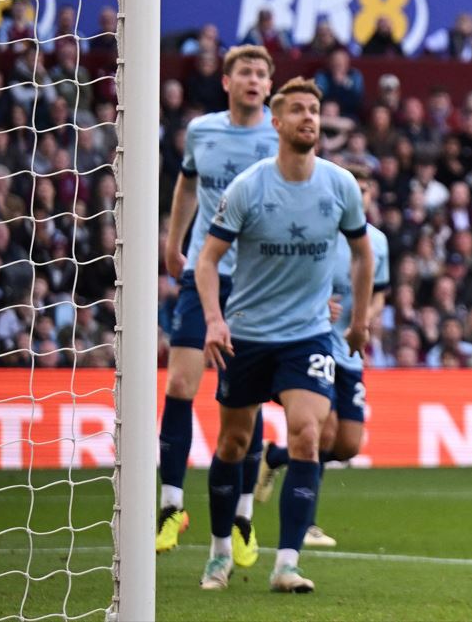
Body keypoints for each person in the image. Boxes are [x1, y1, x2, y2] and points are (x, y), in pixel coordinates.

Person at [194, 78, 373, 593]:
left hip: (309, 335)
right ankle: (219, 551)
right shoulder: (249, 187)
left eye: (314, 110)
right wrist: (214, 319)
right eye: (296, 110)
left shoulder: (340, 185)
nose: (308, 118)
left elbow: (362, 253)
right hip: (247, 336)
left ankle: (287, 562)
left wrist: (358, 319)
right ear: (277, 123)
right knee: (232, 443)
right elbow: (206, 261)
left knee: (308, 435)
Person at [158, 45, 278, 563]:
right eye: (244, 72)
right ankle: (171, 506)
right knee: (180, 384)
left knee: (243, 403)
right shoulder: (203, 131)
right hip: (205, 274)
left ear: (269, 86)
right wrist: (173, 239)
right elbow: (188, 182)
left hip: (257, 284)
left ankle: (244, 515)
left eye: (260, 73)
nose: (253, 80)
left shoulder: (280, 136)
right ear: (227, 82)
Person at [254, 165, 390, 548]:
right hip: (314, 342)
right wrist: (314, 304)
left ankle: (277, 455)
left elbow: (379, 290)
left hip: (351, 348)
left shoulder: (376, 242)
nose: (360, 195)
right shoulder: (319, 232)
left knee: (347, 444)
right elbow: (288, 280)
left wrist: (367, 315)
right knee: (321, 431)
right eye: (355, 188)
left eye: (366, 189)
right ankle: (306, 525)